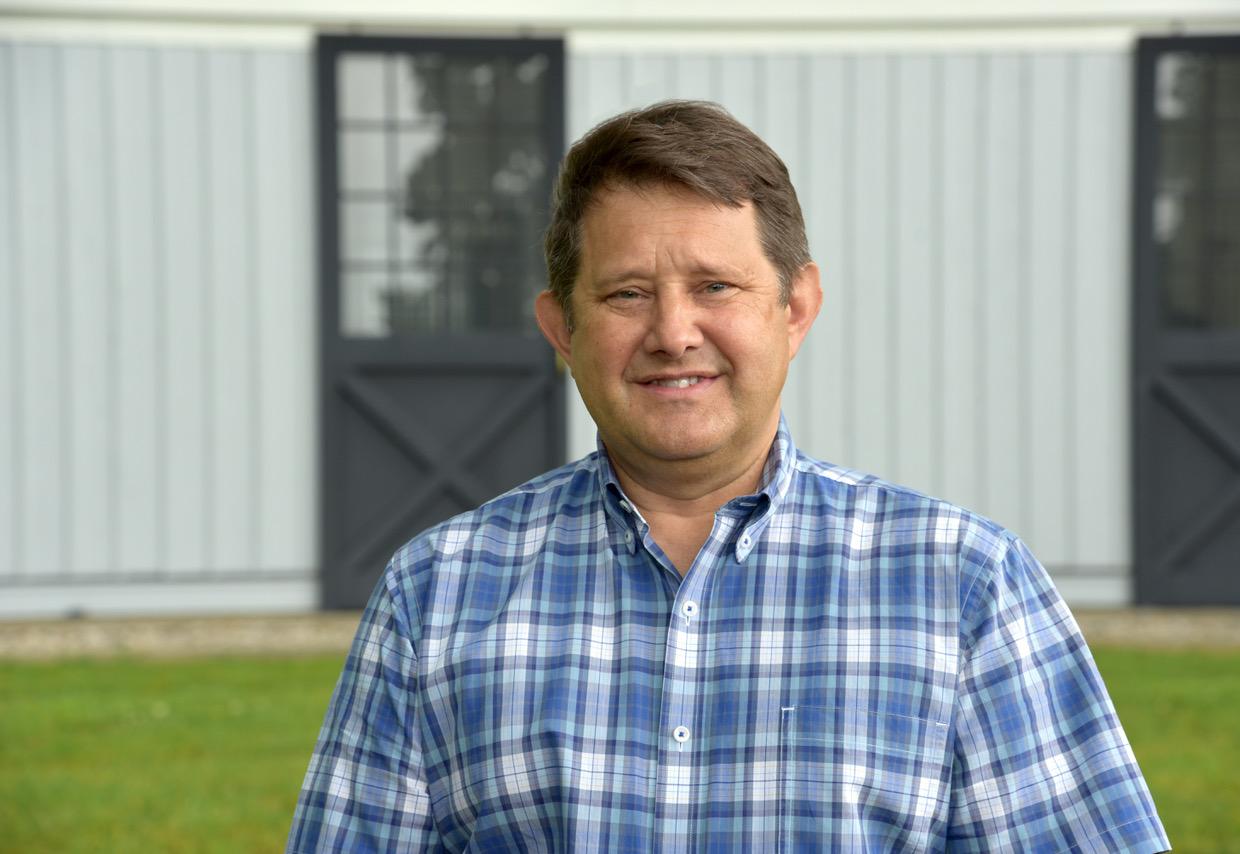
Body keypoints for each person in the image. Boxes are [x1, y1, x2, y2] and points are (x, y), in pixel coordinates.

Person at [288, 100, 1169, 852]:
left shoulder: (965, 586)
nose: (673, 332)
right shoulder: (438, 594)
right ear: (562, 329)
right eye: (626, 293)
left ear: (796, 308)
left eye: (715, 286)